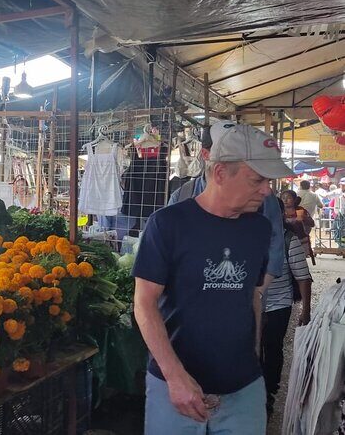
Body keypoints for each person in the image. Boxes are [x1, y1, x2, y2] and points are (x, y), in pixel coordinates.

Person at [133, 121, 294, 434]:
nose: (267, 190)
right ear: (220, 173)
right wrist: (175, 376)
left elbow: (252, 295)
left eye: (269, 181)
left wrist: (254, 358)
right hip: (174, 387)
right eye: (257, 179)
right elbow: (144, 303)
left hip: (243, 388)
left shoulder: (259, 228)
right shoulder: (167, 224)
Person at [168, 124, 285, 291]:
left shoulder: (263, 198)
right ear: (206, 154)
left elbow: (275, 246)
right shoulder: (180, 198)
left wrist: (256, 293)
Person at [262, 198, 312, 417]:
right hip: (251, 307)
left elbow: (303, 277)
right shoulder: (247, 237)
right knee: (252, 349)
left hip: (278, 305)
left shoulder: (288, 240)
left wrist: (305, 310)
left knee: (272, 348)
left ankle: (269, 392)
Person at [281, 189, 315, 260]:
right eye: (283, 198)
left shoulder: (300, 210)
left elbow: (312, 223)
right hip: (284, 242)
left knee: (299, 261)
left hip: (300, 241)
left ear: (294, 200)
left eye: (288, 198)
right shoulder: (279, 211)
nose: (285, 200)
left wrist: (304, 218)